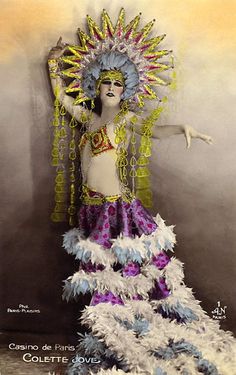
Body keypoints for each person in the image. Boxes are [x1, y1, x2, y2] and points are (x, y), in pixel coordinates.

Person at [48, 10, 235, 375]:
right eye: (106, 84)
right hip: (91, 209)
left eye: (119, 85)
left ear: (126, 90)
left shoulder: (125, 121)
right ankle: (108, 334)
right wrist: (54, 65)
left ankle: (128, 335)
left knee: (122, 274)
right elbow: (61, 98)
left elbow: (155, 130)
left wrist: (184, 127)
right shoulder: (88, 119)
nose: (112, 89)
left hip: (117, 209)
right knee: (103, 273)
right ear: (96, 88)